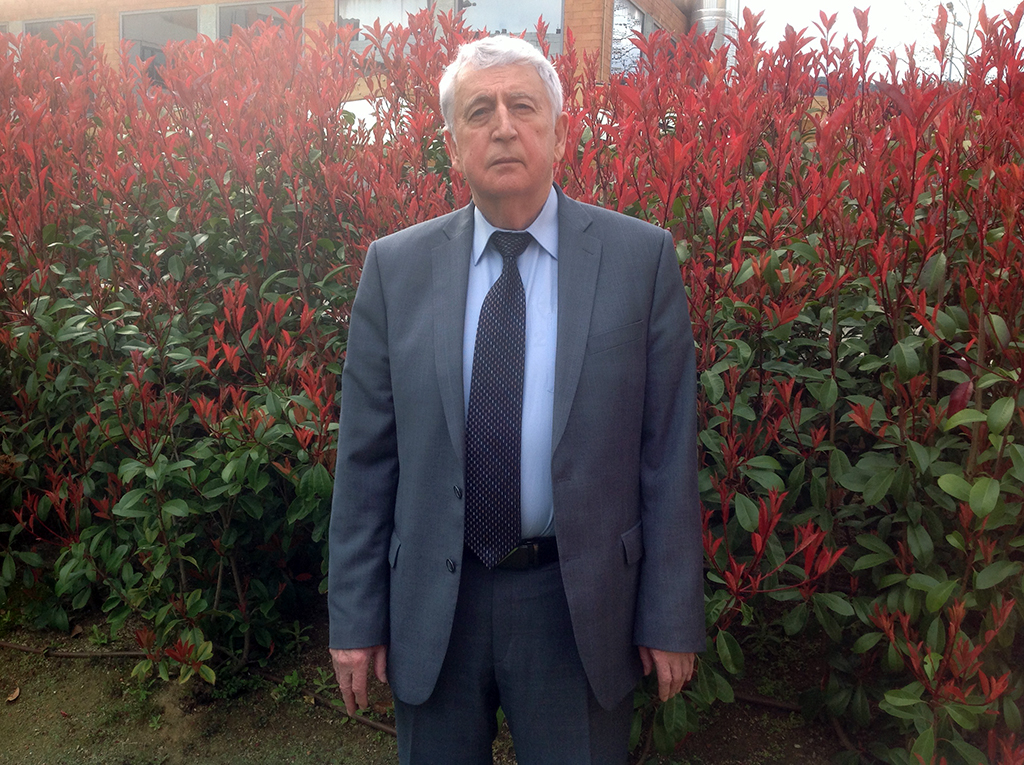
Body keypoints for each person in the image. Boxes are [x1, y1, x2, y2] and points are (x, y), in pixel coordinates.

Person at [327, 34, 704, 765]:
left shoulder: (640, 259)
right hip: (437, 602)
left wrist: (670, 614)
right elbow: (366, 459)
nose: (503, 126)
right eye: (479, 111)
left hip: (577, 604)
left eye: (523, 106)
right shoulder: (395, 269)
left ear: (559, 133)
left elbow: (667, 452)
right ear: (452, 145)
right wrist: (355, 617)